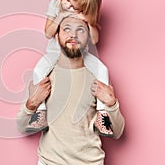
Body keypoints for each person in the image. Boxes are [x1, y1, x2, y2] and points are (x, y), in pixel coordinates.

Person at [17, 16, 125, 165]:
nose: (73, 35)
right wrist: (32, 103)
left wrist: (112, 103)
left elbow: (117, 132)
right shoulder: (43, 77)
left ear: (88, 37)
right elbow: (21, 127)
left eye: (80, 30)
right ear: (56, 35)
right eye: (66, 29)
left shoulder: (98, 77)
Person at [26, 0, 113, 137]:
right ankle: (41, 113)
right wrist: (61, 15)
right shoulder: (56, 4)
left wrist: (89, 22)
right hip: (55, 53)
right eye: (68, 0)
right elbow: (48, 33)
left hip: (80, 54)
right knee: (39, 71)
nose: (69, 6)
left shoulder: (85, 13)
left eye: (75, 7)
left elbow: (94, 40)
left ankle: (102, 115)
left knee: (103, 71)